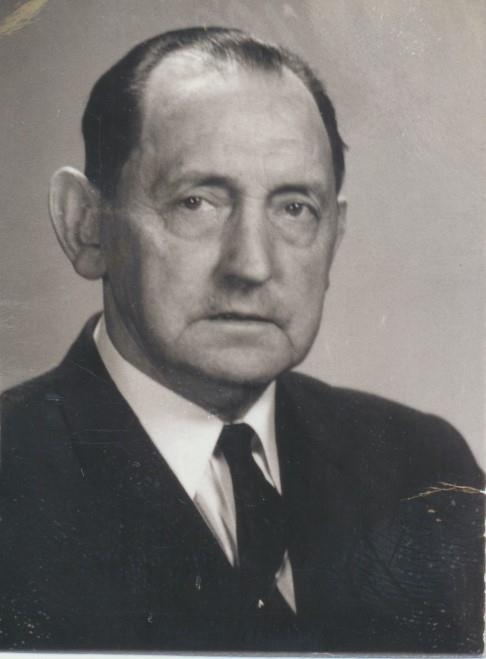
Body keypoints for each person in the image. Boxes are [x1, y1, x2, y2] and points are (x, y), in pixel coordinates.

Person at [0, 26, 483, 654]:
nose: (252, 265)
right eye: (197, 202)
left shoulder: (425, 469)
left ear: (333, 237)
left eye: (293, 208)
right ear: (86, 226)